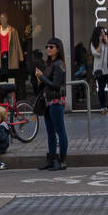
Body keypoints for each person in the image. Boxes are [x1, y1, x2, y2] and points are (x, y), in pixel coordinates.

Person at [36, 38, 68, 170]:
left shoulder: (59, 64)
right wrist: (40, 79)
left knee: (60, 131)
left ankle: (62, 160)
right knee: (50, 132)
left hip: (56, 100)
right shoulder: (50, 63)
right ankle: (51, 159)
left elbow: (55, 85)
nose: (48, 49)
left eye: (51, 47)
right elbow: (47, 84)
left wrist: (42, 77)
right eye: (47, 46)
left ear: (58, 49)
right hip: (48, 100)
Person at [0, 13, 24, 92]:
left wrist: (20, 57)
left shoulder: (13, 31)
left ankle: (10, 94)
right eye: (1, 18)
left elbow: (17, 44)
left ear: (7, 19)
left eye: (4, 18)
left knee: (10, 75)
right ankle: (1, 94)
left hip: (10, 57)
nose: (2, 20)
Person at [90, 26, 108, 110]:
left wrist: (107, 42)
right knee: (101, 88)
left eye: (103, 32)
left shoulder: (107, 41)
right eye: (101, 32)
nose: (103, 34)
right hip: (99, 69)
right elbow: (96, 53)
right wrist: (100, 43)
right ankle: (103, 106)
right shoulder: (93, 43)